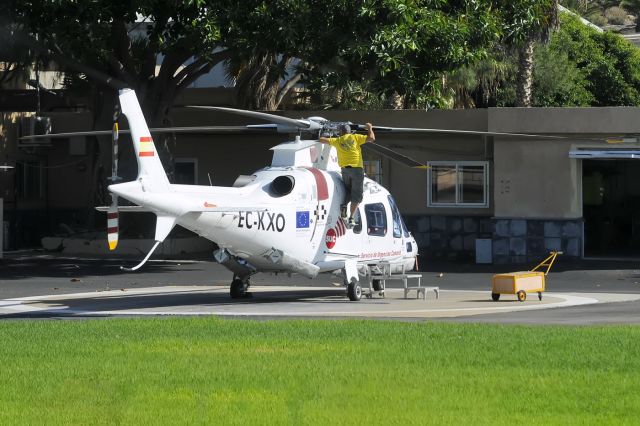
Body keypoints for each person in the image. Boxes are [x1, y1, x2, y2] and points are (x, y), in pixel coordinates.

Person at [319, 122, 375, 228]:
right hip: (357, 170)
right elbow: (371, 138)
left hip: (345, 171)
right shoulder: (355, 137)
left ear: (341, 132)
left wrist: (324, 133)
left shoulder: (337, 140)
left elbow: (321, 140)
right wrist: (369, 128)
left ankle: (344, 206)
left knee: (348, 191)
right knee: (357, 196)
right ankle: (351, 218)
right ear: (349, 131)